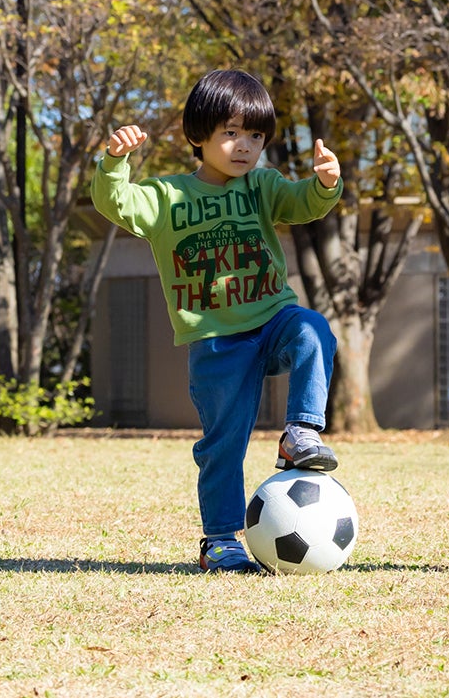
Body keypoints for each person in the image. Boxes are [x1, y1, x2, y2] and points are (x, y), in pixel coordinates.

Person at [91, 69, 344, 574]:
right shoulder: (165, 198)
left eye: (255, 135)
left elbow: (303, 204)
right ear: (197, 135)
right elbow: (114, 202)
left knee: (313, 328)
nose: (245, 146)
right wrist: (115, 161)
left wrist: (325, 183)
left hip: (271, 318)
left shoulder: (263, 186)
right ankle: (219, 540)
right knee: (222, 444)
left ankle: (301, 433)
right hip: (215, 342)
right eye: (231, 133)